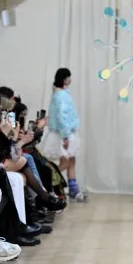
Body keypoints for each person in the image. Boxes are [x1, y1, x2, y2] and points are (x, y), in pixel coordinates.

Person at [39, 68, 86, 202]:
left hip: (67, 132)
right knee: (65, 163)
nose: (70, 79)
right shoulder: (60, 95)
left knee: (71, 161)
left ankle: (73, 189)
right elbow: (62, 116)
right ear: (64, 79)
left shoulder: (61, 94)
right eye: (68, 77)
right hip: (63, 134)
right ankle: (49, 184)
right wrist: (65, 136)